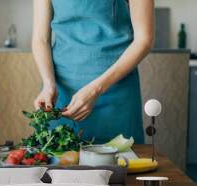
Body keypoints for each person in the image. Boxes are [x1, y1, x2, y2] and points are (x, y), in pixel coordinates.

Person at [32, 0, 154, 144]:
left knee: (122, 161)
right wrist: (48, 84)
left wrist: (96, 89)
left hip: (116, 94)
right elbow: (41, 38)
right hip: (62, 95)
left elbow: (144, 40)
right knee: (57, 161)